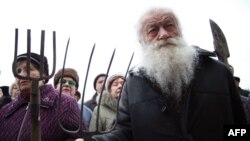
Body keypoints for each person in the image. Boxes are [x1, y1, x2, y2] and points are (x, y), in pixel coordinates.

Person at [77, 7, 247, 141]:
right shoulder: (133, 84)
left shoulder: (218, 72)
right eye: (153, 30)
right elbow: (126, 132)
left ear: (179, 31)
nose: (164, 34)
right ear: (142, 41)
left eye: (169, 25)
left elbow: (239, 127)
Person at [0, 52, 86, 141]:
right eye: (18, 71)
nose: (21, 75)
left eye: (29, 69)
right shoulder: (6, 111)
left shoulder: (65, 103)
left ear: (44, 76)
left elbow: (80, 136)